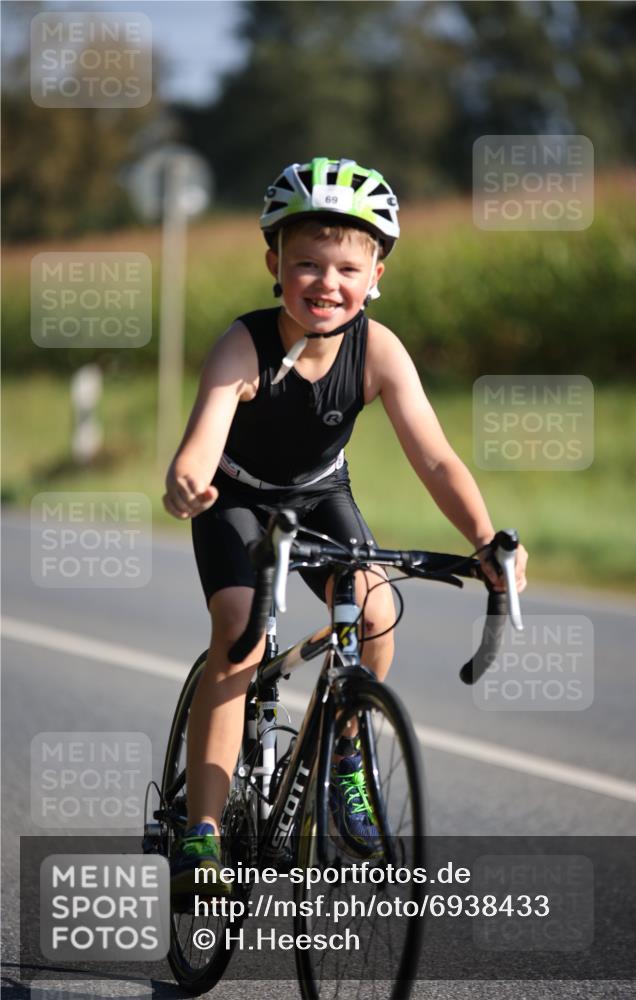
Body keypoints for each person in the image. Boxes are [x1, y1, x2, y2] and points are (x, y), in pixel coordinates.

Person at [163, 156, 528, 893]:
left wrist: (486, 539)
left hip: (318, 493)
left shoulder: (379, 349)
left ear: (374, 277)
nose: (325, 284)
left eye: (345, 269)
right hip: (237, 499)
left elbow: (434, 459)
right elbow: (204, 435)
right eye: (305, 264)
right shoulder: (245, 344)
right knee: (239, 632)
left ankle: (344, 753)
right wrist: (187, 480)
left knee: (377, 606)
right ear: (273, 264)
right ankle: (200, 829)